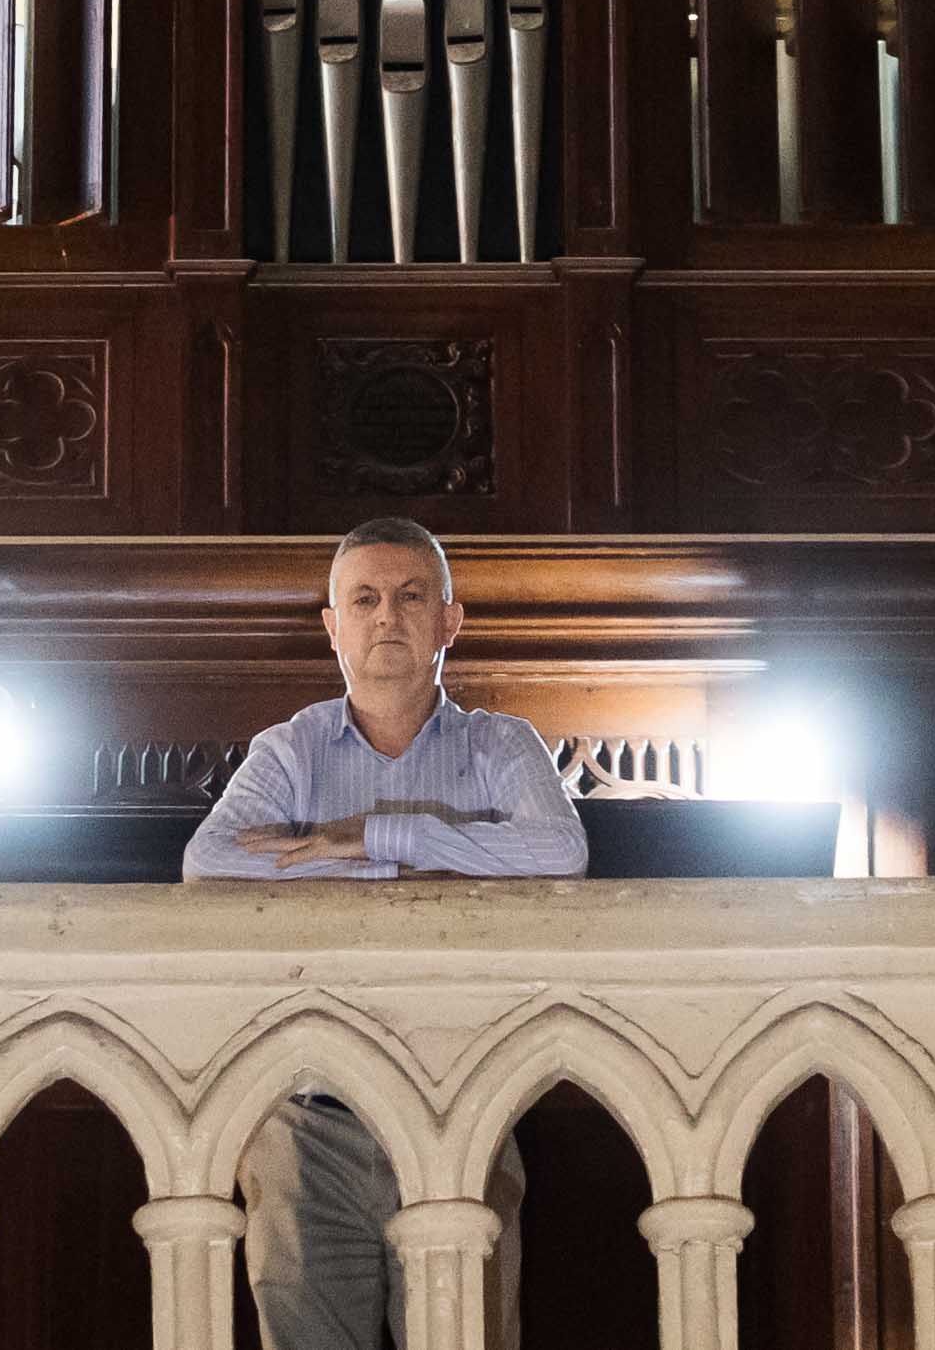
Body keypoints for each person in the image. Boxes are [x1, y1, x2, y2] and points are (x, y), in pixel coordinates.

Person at [183, 518, 584, 1350]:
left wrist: (367, 837)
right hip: (304, 1122)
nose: (386, 617)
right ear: (333, 625)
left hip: (460, 1101)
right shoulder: (289, 749)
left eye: (409, 597)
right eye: (362, 599)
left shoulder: (498, 744)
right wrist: (429, 875)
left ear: (449, 620)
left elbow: (558, 853)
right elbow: (210, 866)